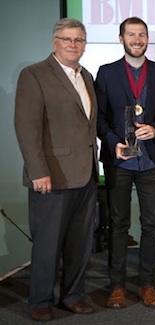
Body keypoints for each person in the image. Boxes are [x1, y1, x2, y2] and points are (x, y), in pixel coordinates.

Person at [14, 18, 99, 321]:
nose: (73, 45)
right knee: (48, 244)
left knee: (80, 243)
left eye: (79, 40)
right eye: (67, 39)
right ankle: (40, 300)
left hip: (85, 175)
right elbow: (27, 128)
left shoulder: (86, 75)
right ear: (55, 42)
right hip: (51, 176)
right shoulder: (34, 75)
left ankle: (73, 296)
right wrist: (38, 172)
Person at [95, 17, 155, 309]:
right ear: (121, 38)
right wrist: (114, 142)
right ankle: (116, 286)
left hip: (151, 160)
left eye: (142, 35)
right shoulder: (106, 73)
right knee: (118, 225)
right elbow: (99, 117)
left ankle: (147, 285)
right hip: (119, 162)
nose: (137, 39)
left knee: (152, 225)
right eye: (131, 34)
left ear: (148, 38)